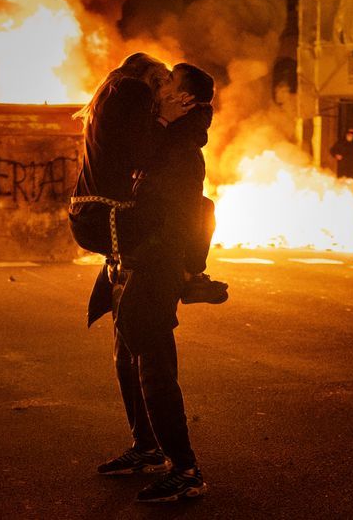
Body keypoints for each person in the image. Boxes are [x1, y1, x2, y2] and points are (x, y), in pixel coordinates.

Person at [94, 63, 217, 503]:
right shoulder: (160, 137)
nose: (158, 88)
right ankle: (146, 449)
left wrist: (185, 269)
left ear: (185, 100)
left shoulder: (180, 149)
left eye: (168, 83)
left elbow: (194, 213)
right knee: (127, 360)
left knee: (155, 369)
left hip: (154, 267)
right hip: (133, 262)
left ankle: (185, 470)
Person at [69, 53, 226, 327]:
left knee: (200, 208)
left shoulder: (112, 94)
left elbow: (133, 155)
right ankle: (192, 277)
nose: (163, 88)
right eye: (164, 79)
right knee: (197, 211)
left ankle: (188, 276)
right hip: (109, 217)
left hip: (91, 215)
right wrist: (164, 118)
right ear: (151, 78)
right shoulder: (134, 90)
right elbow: (143, 156)